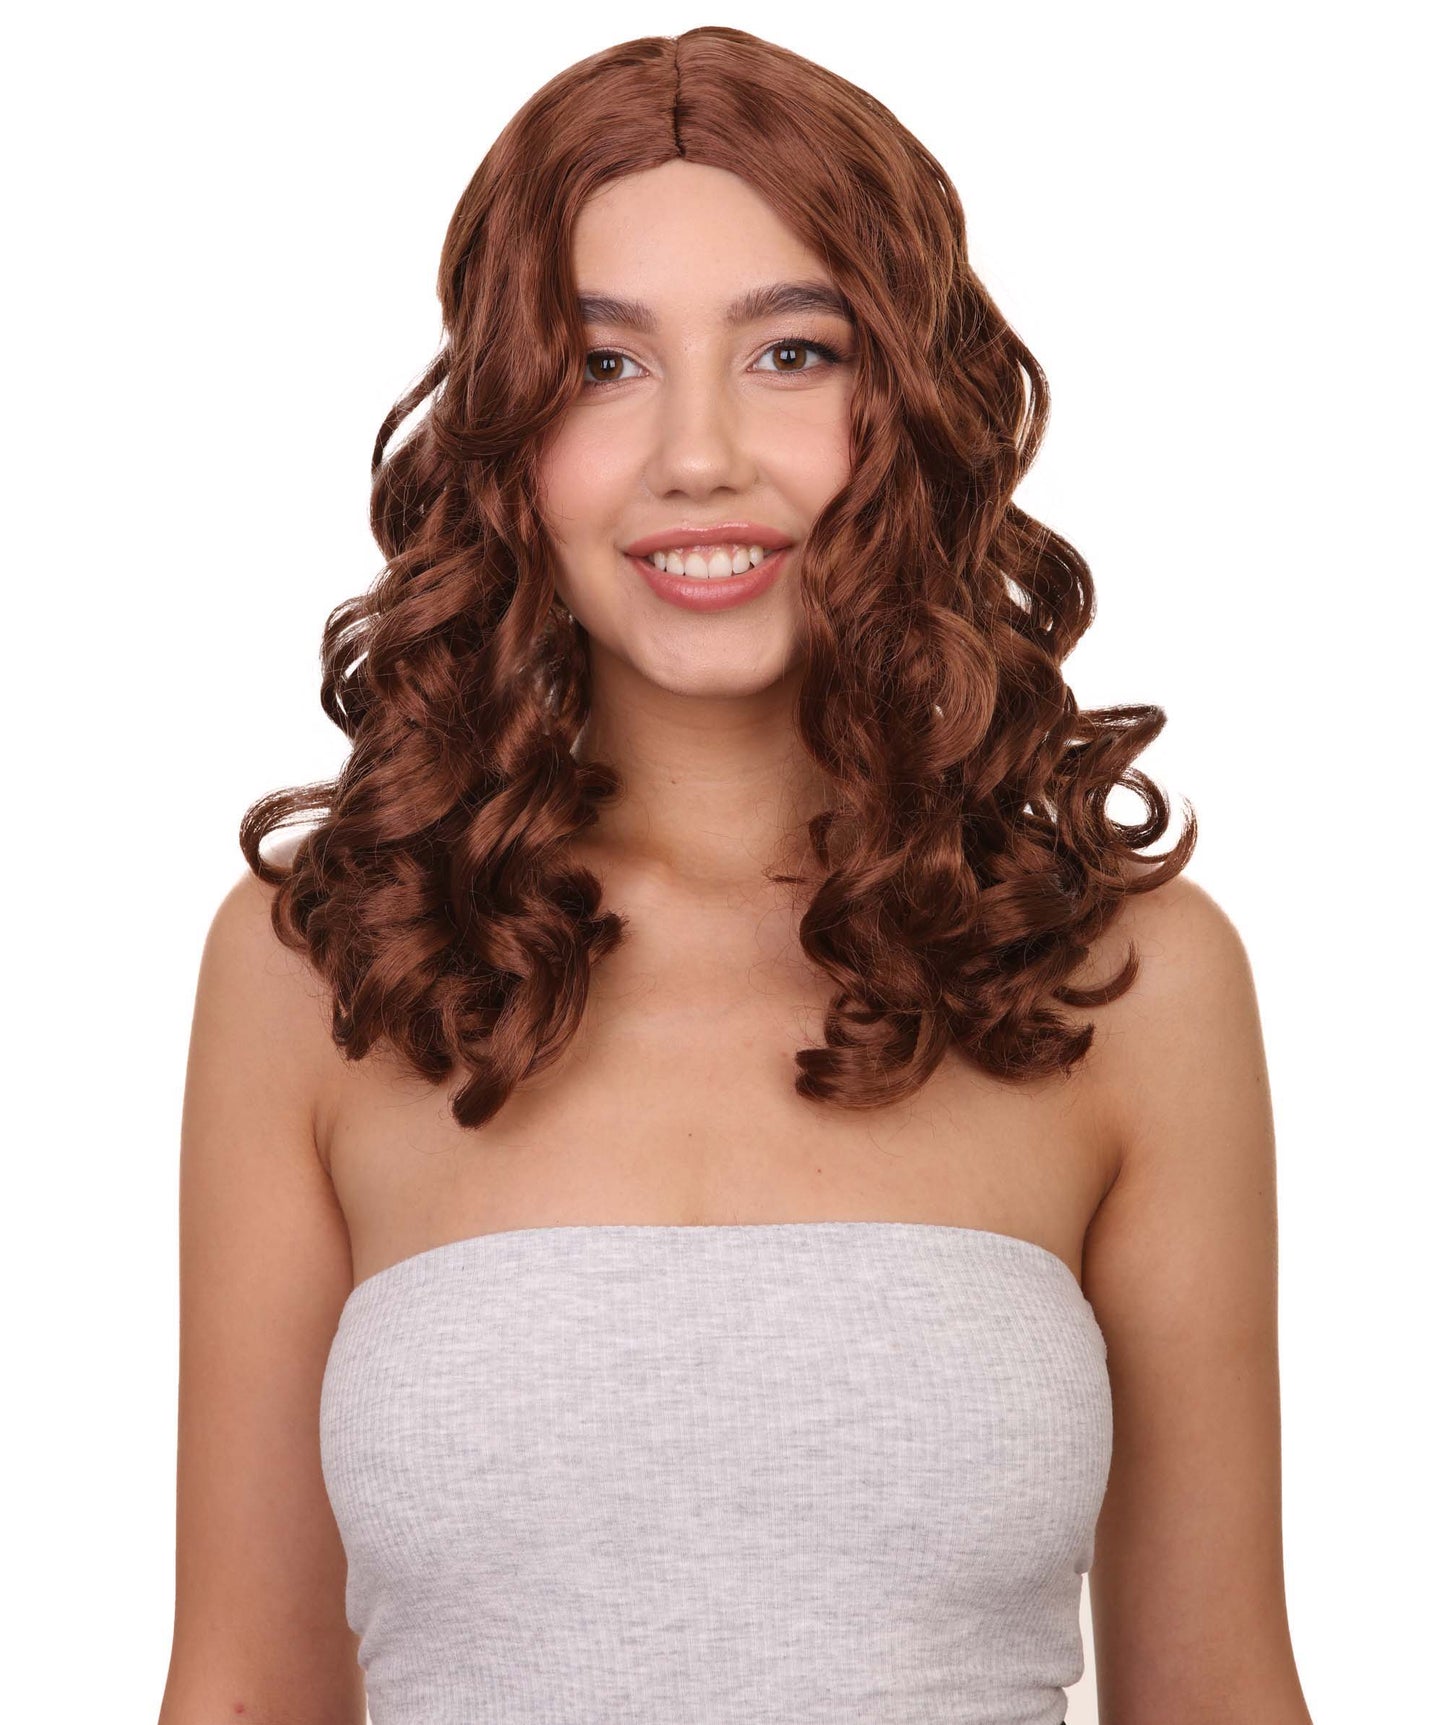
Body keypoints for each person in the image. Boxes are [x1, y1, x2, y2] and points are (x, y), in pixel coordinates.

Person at [159, 26, 1314, 1725]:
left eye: (790, 350)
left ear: (906, 403)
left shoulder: (1124, 976)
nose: (697, 453)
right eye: (602, 365)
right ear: (505, 435)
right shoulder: (323, 965)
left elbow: (1214, 1691)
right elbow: (244, 1688)